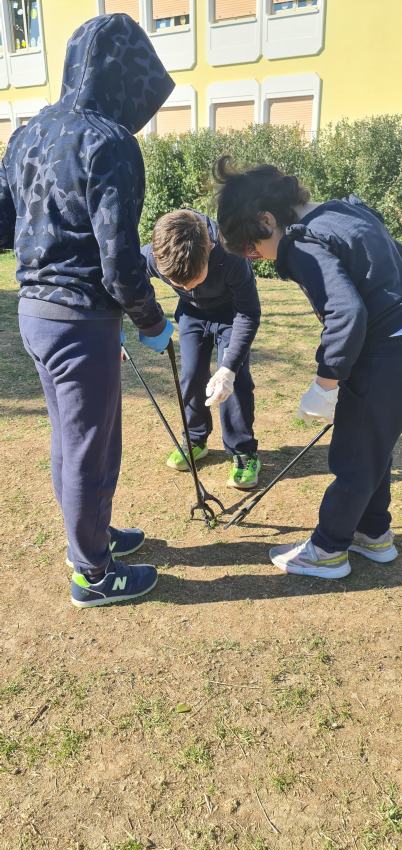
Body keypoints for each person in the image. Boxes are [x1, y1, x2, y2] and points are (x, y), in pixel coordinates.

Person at [0, 14, 175, 608]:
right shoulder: (109, 141)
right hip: (78, 319)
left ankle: (95, 537)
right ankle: (92, 574)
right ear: (125, 77)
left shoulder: (28, 133)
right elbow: (120, 260)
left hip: (36, 314)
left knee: (80, 440)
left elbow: (4, 225)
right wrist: (152, 321)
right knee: (85, 444)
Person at [214, 156, 402, 578]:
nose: (255, 258)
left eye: (251, 248)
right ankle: (373, 534)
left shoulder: (301, 241)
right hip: (395, 351)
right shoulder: (346, 211)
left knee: (353, 457)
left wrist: (326, 383)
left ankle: (329, 550)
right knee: (372, 450)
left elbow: (346, 312)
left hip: (383, 355)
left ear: (266, 220)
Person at [141, 209, 261, 488]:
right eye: (175, 283)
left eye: (189, 280)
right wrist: (145, 316)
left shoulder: (232, 254)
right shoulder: (153, 255)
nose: (182, 286)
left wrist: (228, 368)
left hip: (232, 315)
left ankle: (244, 451)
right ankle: (195, 439)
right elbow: (128, 278)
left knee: (234, 382)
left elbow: (249, 313)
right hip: (192, 315)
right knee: (192, 375)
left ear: (208, 250)